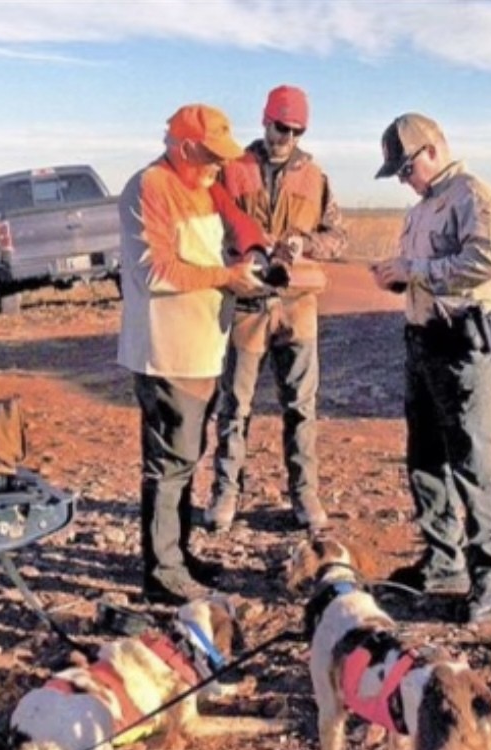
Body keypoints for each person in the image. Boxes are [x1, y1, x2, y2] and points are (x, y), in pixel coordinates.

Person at [117, 104, 270, 605]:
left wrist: (252, 254)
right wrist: (226, 276)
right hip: (167, 354)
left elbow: (238, 224)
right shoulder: (150, 187)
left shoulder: (203, 184)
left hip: (201, 349)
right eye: (210, 156)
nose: (217, 167)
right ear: (185, 148)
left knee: (184, 460)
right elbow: (153, 271)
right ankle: (162, 573)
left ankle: (177, 556)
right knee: (168, 465)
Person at [371, 113, 491, 626]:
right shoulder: (422, 210)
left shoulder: (474, 196)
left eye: (406, 169)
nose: (405, 180)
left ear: (431, 150)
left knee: (473, 464)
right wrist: (397, 277)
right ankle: (443, 561)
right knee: (425, 459)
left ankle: (488, 575)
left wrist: (418, 272)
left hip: (462, 346)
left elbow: (486, 261)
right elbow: (420, 271)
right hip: (423, 341)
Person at [204, 84, 348, 533]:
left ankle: (305, 494)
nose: (285, 136)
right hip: (247, 302)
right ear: (264, 121)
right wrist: (232, 262)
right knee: (234, 406)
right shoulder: (233, 169)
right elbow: (210, 228)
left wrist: (305, 243)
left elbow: (338, 237)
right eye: (279, 126)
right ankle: (226, 493)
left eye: (295, 130)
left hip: (297, 307)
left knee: (300, 406)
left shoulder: (315, 176)